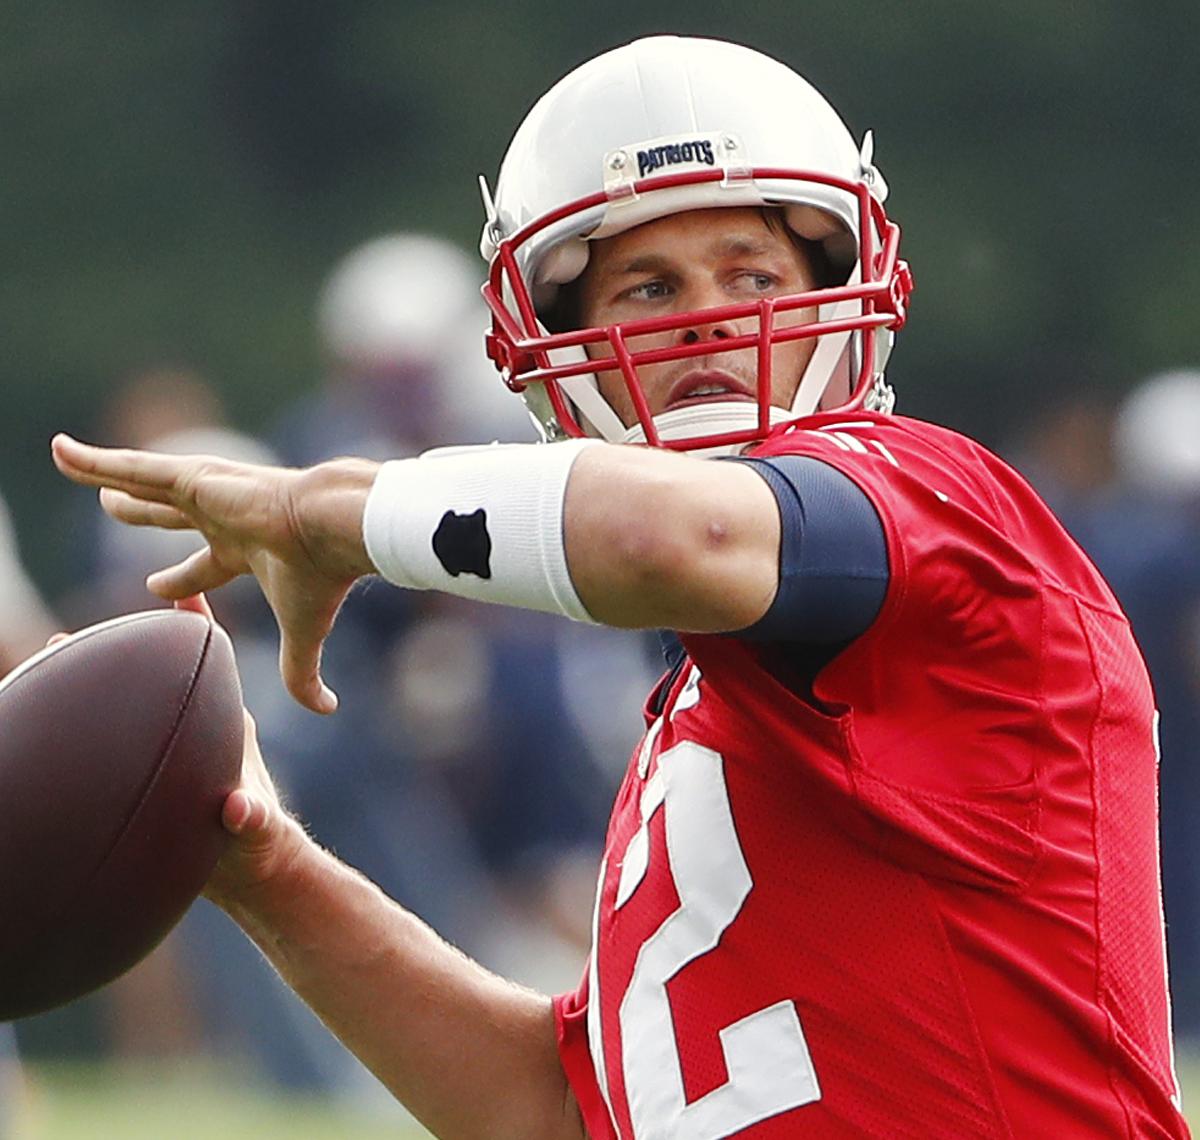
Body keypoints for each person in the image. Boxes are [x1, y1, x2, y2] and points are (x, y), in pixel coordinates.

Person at [50, 34, 1188, 1140]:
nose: (707, 320)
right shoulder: (691, 718)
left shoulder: (941, 500)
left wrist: (333, 516)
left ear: (851, 293)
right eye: (645, 287)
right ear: (556, 343)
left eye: (753, 273)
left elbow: (667, 537)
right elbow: (553, 1111)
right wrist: (267, 871)